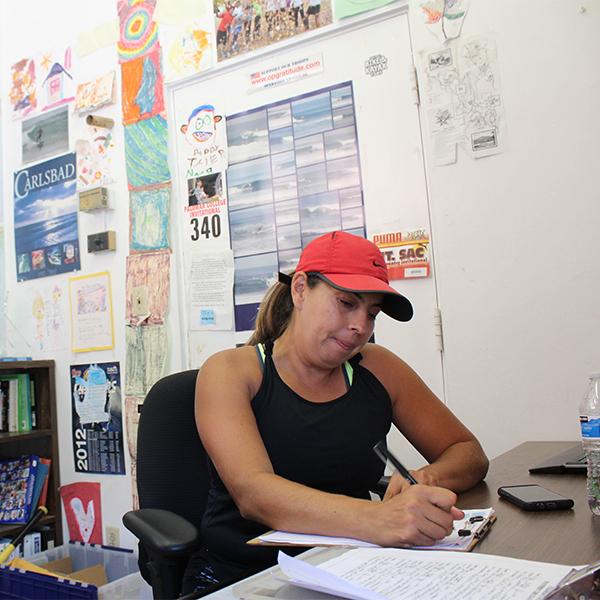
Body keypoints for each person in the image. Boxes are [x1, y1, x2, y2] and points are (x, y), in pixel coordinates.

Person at [183, 231, 489, 593]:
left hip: (352, 570)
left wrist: (425, 478)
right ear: (300, 290)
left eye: (372, 313)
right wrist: (379, 519)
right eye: (346, 303)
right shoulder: (231, 372)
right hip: (243, 578)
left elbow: (467, 452)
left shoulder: (378, 368)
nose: (361, 326)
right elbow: (255, 494)